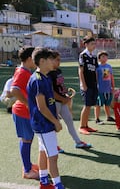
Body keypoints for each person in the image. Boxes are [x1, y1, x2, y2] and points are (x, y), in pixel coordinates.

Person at [27, 47, 65, 189]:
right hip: (43, 124)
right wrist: (55, 122)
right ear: (42, 61)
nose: (53, 62)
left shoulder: (46, 77)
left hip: (46, 123)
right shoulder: (37, 80)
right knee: (53, 156)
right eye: (50, 59)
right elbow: (41, 107)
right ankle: (57, 185)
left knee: (43, 151)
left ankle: (44, 180)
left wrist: (56, 116)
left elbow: (50, 102)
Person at [48, 51, 92, 150]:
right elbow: (50, 91)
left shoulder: (58, 71)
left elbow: (60, 86)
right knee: (54, 124)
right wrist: (62, 99)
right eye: (57, 60)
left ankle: (78, 141)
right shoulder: (48, 74)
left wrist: (65, 94)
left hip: (63, 101)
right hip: (55, 102)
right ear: (50, 60)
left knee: (69, 121)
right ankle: (53, 145)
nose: (59, 62)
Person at [10, 46, 39, 180]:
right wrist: (28, 104)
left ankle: (27, 165)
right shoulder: (22, 72)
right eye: (35, 59)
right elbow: (14, 90)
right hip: (22, 112)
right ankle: (27, 170)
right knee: (26, 139)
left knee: (28, 138)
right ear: (29, 59)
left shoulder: (24, 70)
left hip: (25, 112)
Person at [78, 36, 99, 135]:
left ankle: (86, 125)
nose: (94, 46)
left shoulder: (94, 57)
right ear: (86, 44)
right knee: (86, 106)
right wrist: (83, 84)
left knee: (90, 105)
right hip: (86, 85)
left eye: (94, 44)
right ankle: (82, 126)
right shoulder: (83, 55)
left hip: (93, 84)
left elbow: (95, 71)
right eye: (92, 44)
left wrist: (97, 83)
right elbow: (80, 71)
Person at [94, 51, 115, 125]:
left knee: (107, 104)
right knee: (98, 104)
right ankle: (97, 118)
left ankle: (108, 116)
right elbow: (95, 78)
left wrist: (113, 87)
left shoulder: (109, 66)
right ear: (99, 59)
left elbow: (111, 77)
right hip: (100, 89)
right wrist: (96, 87)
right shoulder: (97, 67)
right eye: (103, 56)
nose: (105, 58)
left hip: (108, 89)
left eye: (106, 56)